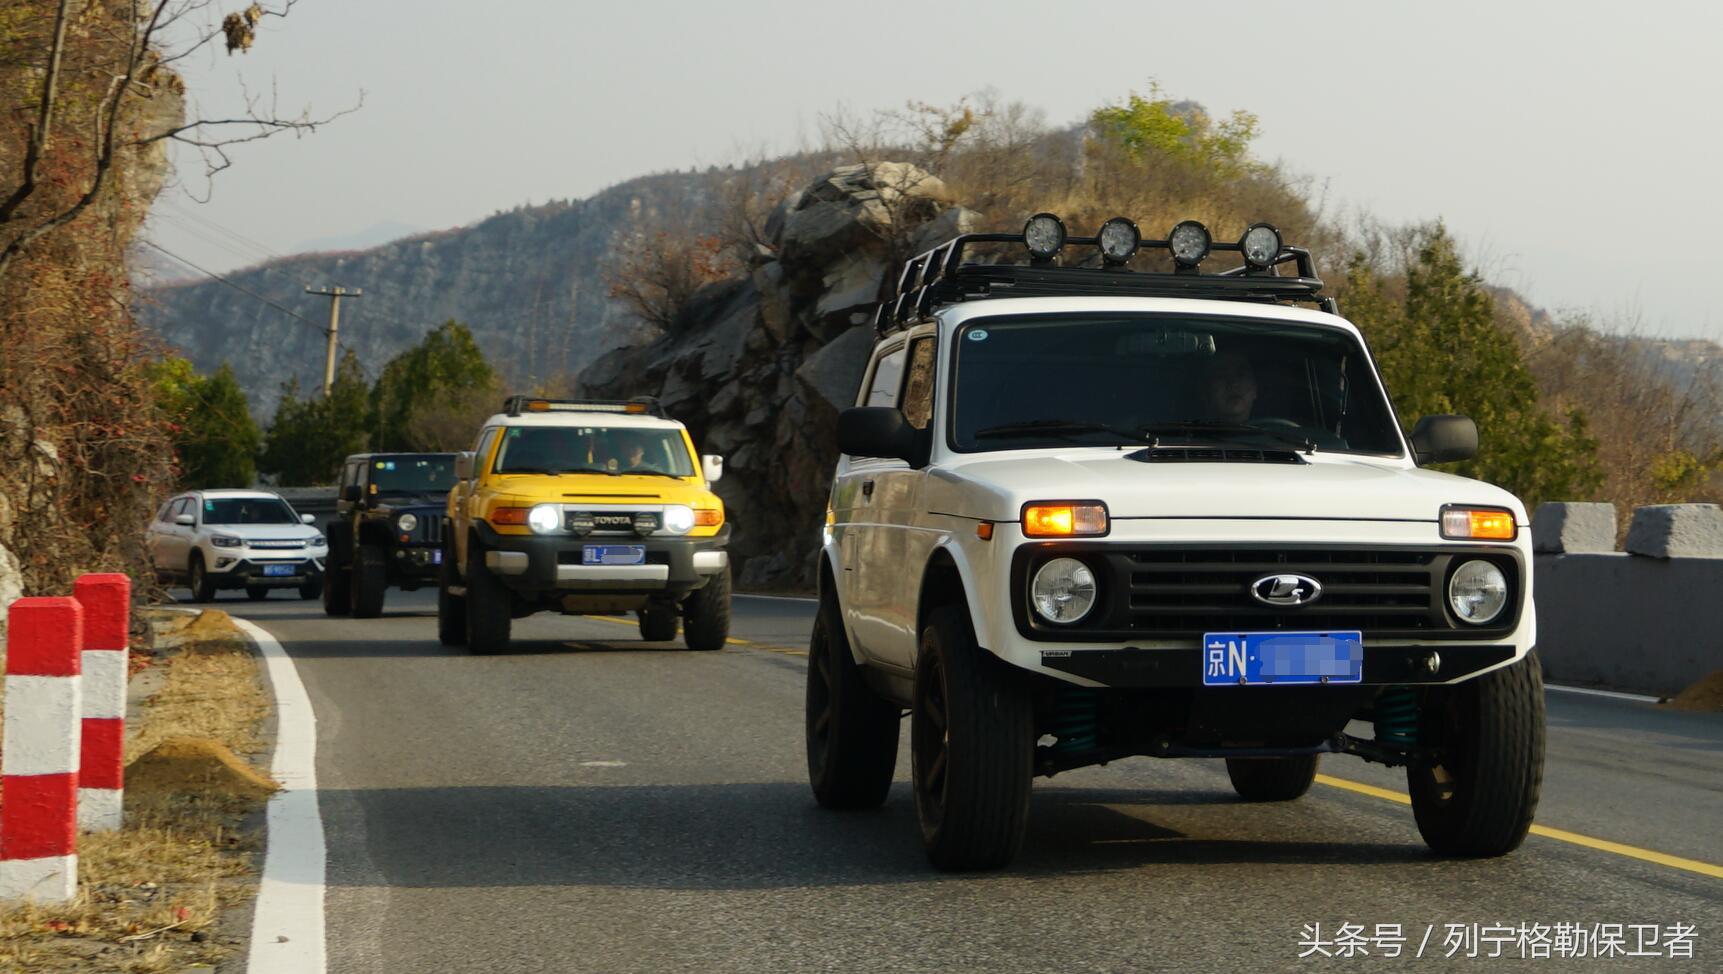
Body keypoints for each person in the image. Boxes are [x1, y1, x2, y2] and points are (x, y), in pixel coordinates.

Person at [1200, 350, 1257, 425]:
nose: (1234, 383)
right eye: (1221, 375)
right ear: (1206, 392)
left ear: (1255, 389)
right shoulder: (1187, 435)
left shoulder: (1272, 434)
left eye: (1241, 374)